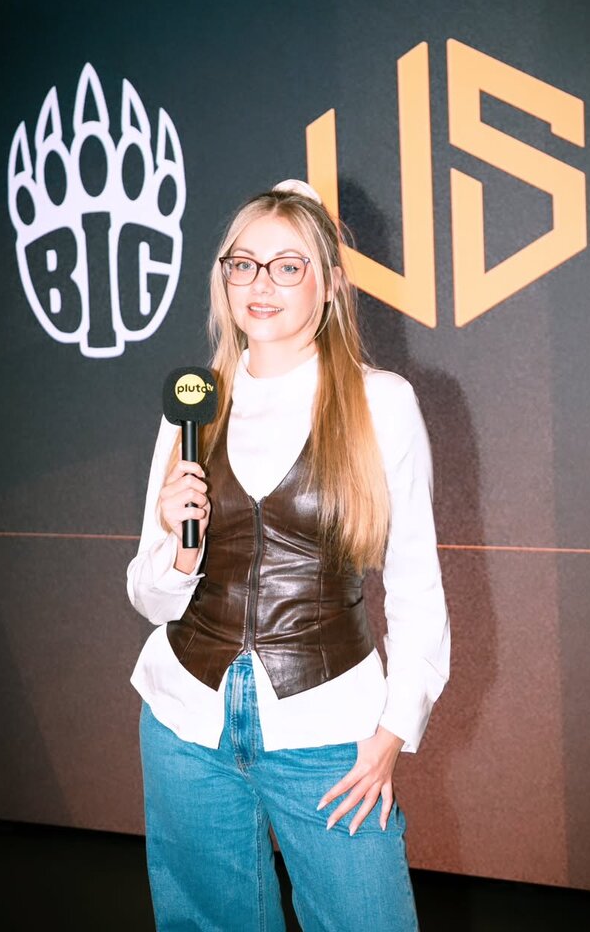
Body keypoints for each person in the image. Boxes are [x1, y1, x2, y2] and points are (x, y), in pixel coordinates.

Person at [127, 179, 450, 932]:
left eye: (287, 266)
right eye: (243, 264)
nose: (260, 284)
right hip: (185, 727)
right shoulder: (195, 405)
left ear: (330, 284)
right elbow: (147, 594)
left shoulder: (381, 402)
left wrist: (394, 730)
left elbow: (415, 584)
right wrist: (177, 550)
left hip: (328, 732)